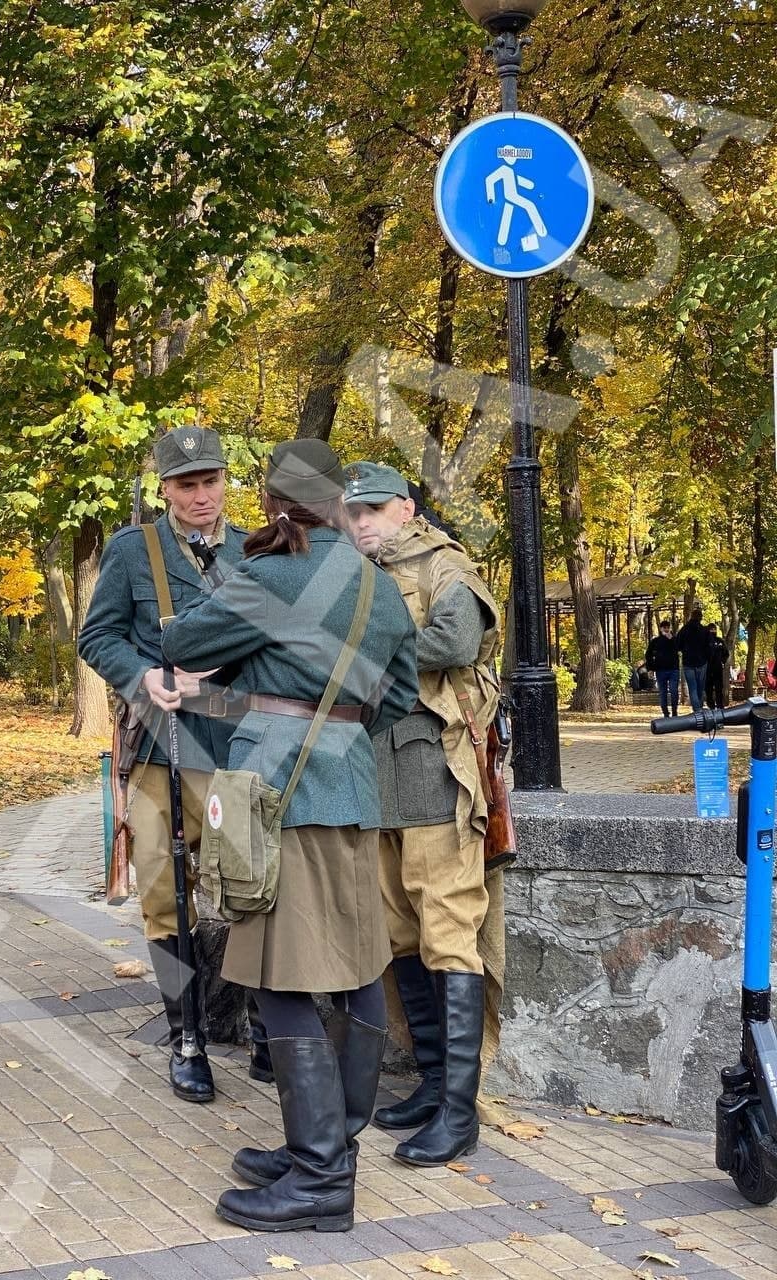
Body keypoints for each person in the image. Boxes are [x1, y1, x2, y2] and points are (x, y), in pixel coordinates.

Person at [161, 439, 418, 1233]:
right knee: (354, 969)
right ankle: (330, 1145)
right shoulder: (381, 588)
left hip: (277, 794)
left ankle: (319, 1181)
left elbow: (181, 647)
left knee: (281, 977)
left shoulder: (266, 575)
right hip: (350, 790)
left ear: (274, 502)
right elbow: (398, 695)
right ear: (340, 501)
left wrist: (267, 673)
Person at [79, 428, 273, 1102]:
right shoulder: (135, 552)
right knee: (166, 897)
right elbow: (97, 635)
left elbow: (279, 648)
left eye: (210, 480)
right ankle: (186, 1036)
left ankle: (266, 1029)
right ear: (164, 488)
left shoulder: (257, 550)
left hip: (236, 748)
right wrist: (140, 678)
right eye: (186, 484)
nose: (200, 495)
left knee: (252, 892)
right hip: (159, 752)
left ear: (226, 482)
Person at [343, 462, 504, 1168]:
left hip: (435, 773)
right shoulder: (352, 574)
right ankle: (434, 1084)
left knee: (448, 934)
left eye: (374, 509)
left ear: (406, 507)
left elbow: (454, 642)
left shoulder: (446, 566)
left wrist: (361, 656)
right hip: (376, 777)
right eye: (352, 513)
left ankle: (459, 1113)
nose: (362, 522)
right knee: (400, 935)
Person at [676, 607, 711, 711]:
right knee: (700, 688)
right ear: (701, 618)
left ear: (691, 617)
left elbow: (677, 645)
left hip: (688, 663)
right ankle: (699, 707)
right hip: (702, 662)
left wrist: (685, 650)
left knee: (692, 688)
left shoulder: (684, 630)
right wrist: (706, 657)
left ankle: (697, 710)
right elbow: (709, 647)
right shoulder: (705, 631)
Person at [645, 619, 680, 718]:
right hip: (661, 670)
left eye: (668, 628)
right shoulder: (655, 641)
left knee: (674, 690)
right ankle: (665, 712)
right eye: (664, 628)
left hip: (674, 669)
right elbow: (648, 655)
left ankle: (674, 711)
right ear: (660, 629)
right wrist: (650, 668)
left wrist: (672, 639)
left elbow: (680, 648)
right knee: (663, 692)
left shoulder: (674, 639)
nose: (666, 629)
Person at [705, 623, 729, 711]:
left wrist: (722, 661)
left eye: (714, 629)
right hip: (707, 669)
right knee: (708, 689)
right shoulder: (704, 642)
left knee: (719, 688)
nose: (713, 631)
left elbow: (726, 653)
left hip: (717, 668)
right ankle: (711, 705)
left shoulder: (720, 641)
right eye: (711, 629)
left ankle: (720, 705)